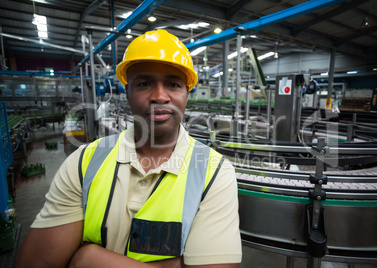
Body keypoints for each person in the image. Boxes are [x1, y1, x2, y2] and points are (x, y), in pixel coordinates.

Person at [16, 29, 242, 268]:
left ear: (187, 94)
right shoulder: (84, 162)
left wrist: (88, 259)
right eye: (144, 83)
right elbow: (37, 262)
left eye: (173, 84)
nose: (160, 96)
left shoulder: (215, 173)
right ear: (128, 92)